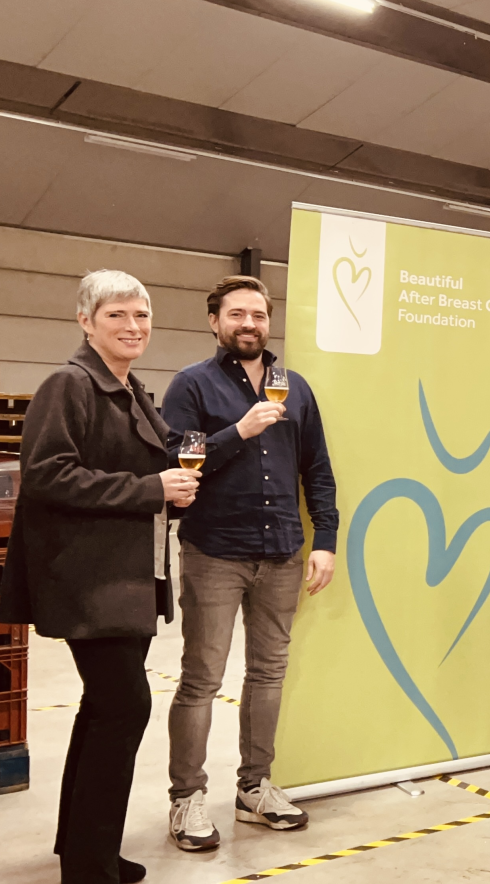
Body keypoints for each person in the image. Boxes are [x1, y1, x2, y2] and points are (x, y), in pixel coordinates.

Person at [0, 270, 201, 884]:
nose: (134, 325)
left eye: (142, 314)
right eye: (118, 314)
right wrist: (150, 491)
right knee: (123, 708)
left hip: (127, 579)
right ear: (86, 320)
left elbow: (158, 462)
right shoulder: (71, 384)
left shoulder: (129, 388)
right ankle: (90, 878)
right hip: (90, 581)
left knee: (102, 714)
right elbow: (50, 473)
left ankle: (83, 849)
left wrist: (176, 479)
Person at [158, 275, 337, 852]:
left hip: (282, 551)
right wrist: (239, 430)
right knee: (202, 680)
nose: (249, 324)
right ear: (215, 322)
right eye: (236, 314)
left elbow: (318, 470)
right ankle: (186, 798)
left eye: (258, 314)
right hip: (214, 553)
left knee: (267, 675)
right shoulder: (192, 385)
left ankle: (254, 788)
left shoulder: (295, 388)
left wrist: (325, 539)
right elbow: (176, 464)